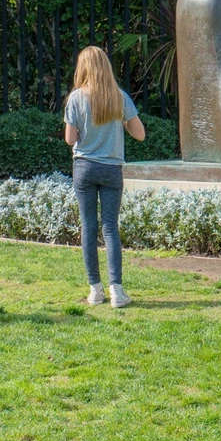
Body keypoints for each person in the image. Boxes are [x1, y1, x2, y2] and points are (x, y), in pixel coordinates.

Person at [64, 45, 144, 308]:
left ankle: (95, 290)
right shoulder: (119, 97)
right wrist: (122, 122)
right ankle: (117, 291)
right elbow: (140, 134)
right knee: (110, 228)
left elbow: (70, 139)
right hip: (111, 169)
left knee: (88, 226)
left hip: (84, 168)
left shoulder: (76, 98)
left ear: (83, 68)